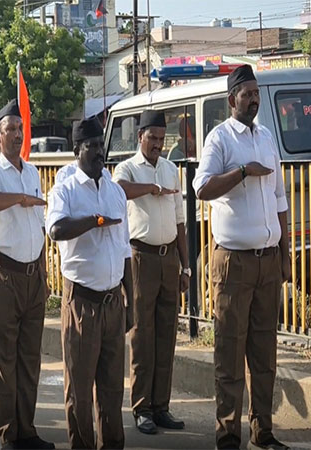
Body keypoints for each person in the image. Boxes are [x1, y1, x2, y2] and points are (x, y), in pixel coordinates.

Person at [192, 65, 290, 450]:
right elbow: (201, 188)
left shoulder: (267, 138)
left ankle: (262, 432)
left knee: (264, 352)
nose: (254, 99)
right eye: (247, 93)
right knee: (230, 352)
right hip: (233, 262)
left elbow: (280, 198)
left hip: (267, 261)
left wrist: (283, 256)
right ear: (231, 99)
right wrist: (242, 172)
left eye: (256, 93)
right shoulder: (219, 139)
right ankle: (228, 435)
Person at [47, 116, 133, 449]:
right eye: (91, 146)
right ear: (76, 151)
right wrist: (93, 221)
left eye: (101, 145)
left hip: (113, 302)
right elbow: (56, 230)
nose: (99, 152)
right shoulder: (65, 190)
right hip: (82, 303)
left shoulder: (114, 192)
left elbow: (125, 249)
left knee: (112, 389)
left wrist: (131, 302)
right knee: (80, 391)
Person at [0, 99, 53, 450]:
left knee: (29, 355)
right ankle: (9, 432)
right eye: (10, 130)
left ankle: (27, 428)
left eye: (19, 130)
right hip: (4, 271)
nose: (17, 135)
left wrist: (44, 269)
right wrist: (19, 199)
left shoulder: (32, 171)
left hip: (32, 272)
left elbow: (38, 222)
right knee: (3, 355)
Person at [113, 109, 189, 435]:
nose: (158, 144)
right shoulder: (128, 167)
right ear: (140, 136)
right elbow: (120, 191)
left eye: (162, 138)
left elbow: (181, 221)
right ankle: (142, 407)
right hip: (141, 258)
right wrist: (150, 188)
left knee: (166, 334)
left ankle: (161, 405)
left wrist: (186, 266)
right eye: (152, 138)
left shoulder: (172, 169)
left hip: (169, 257)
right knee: (143, 335)